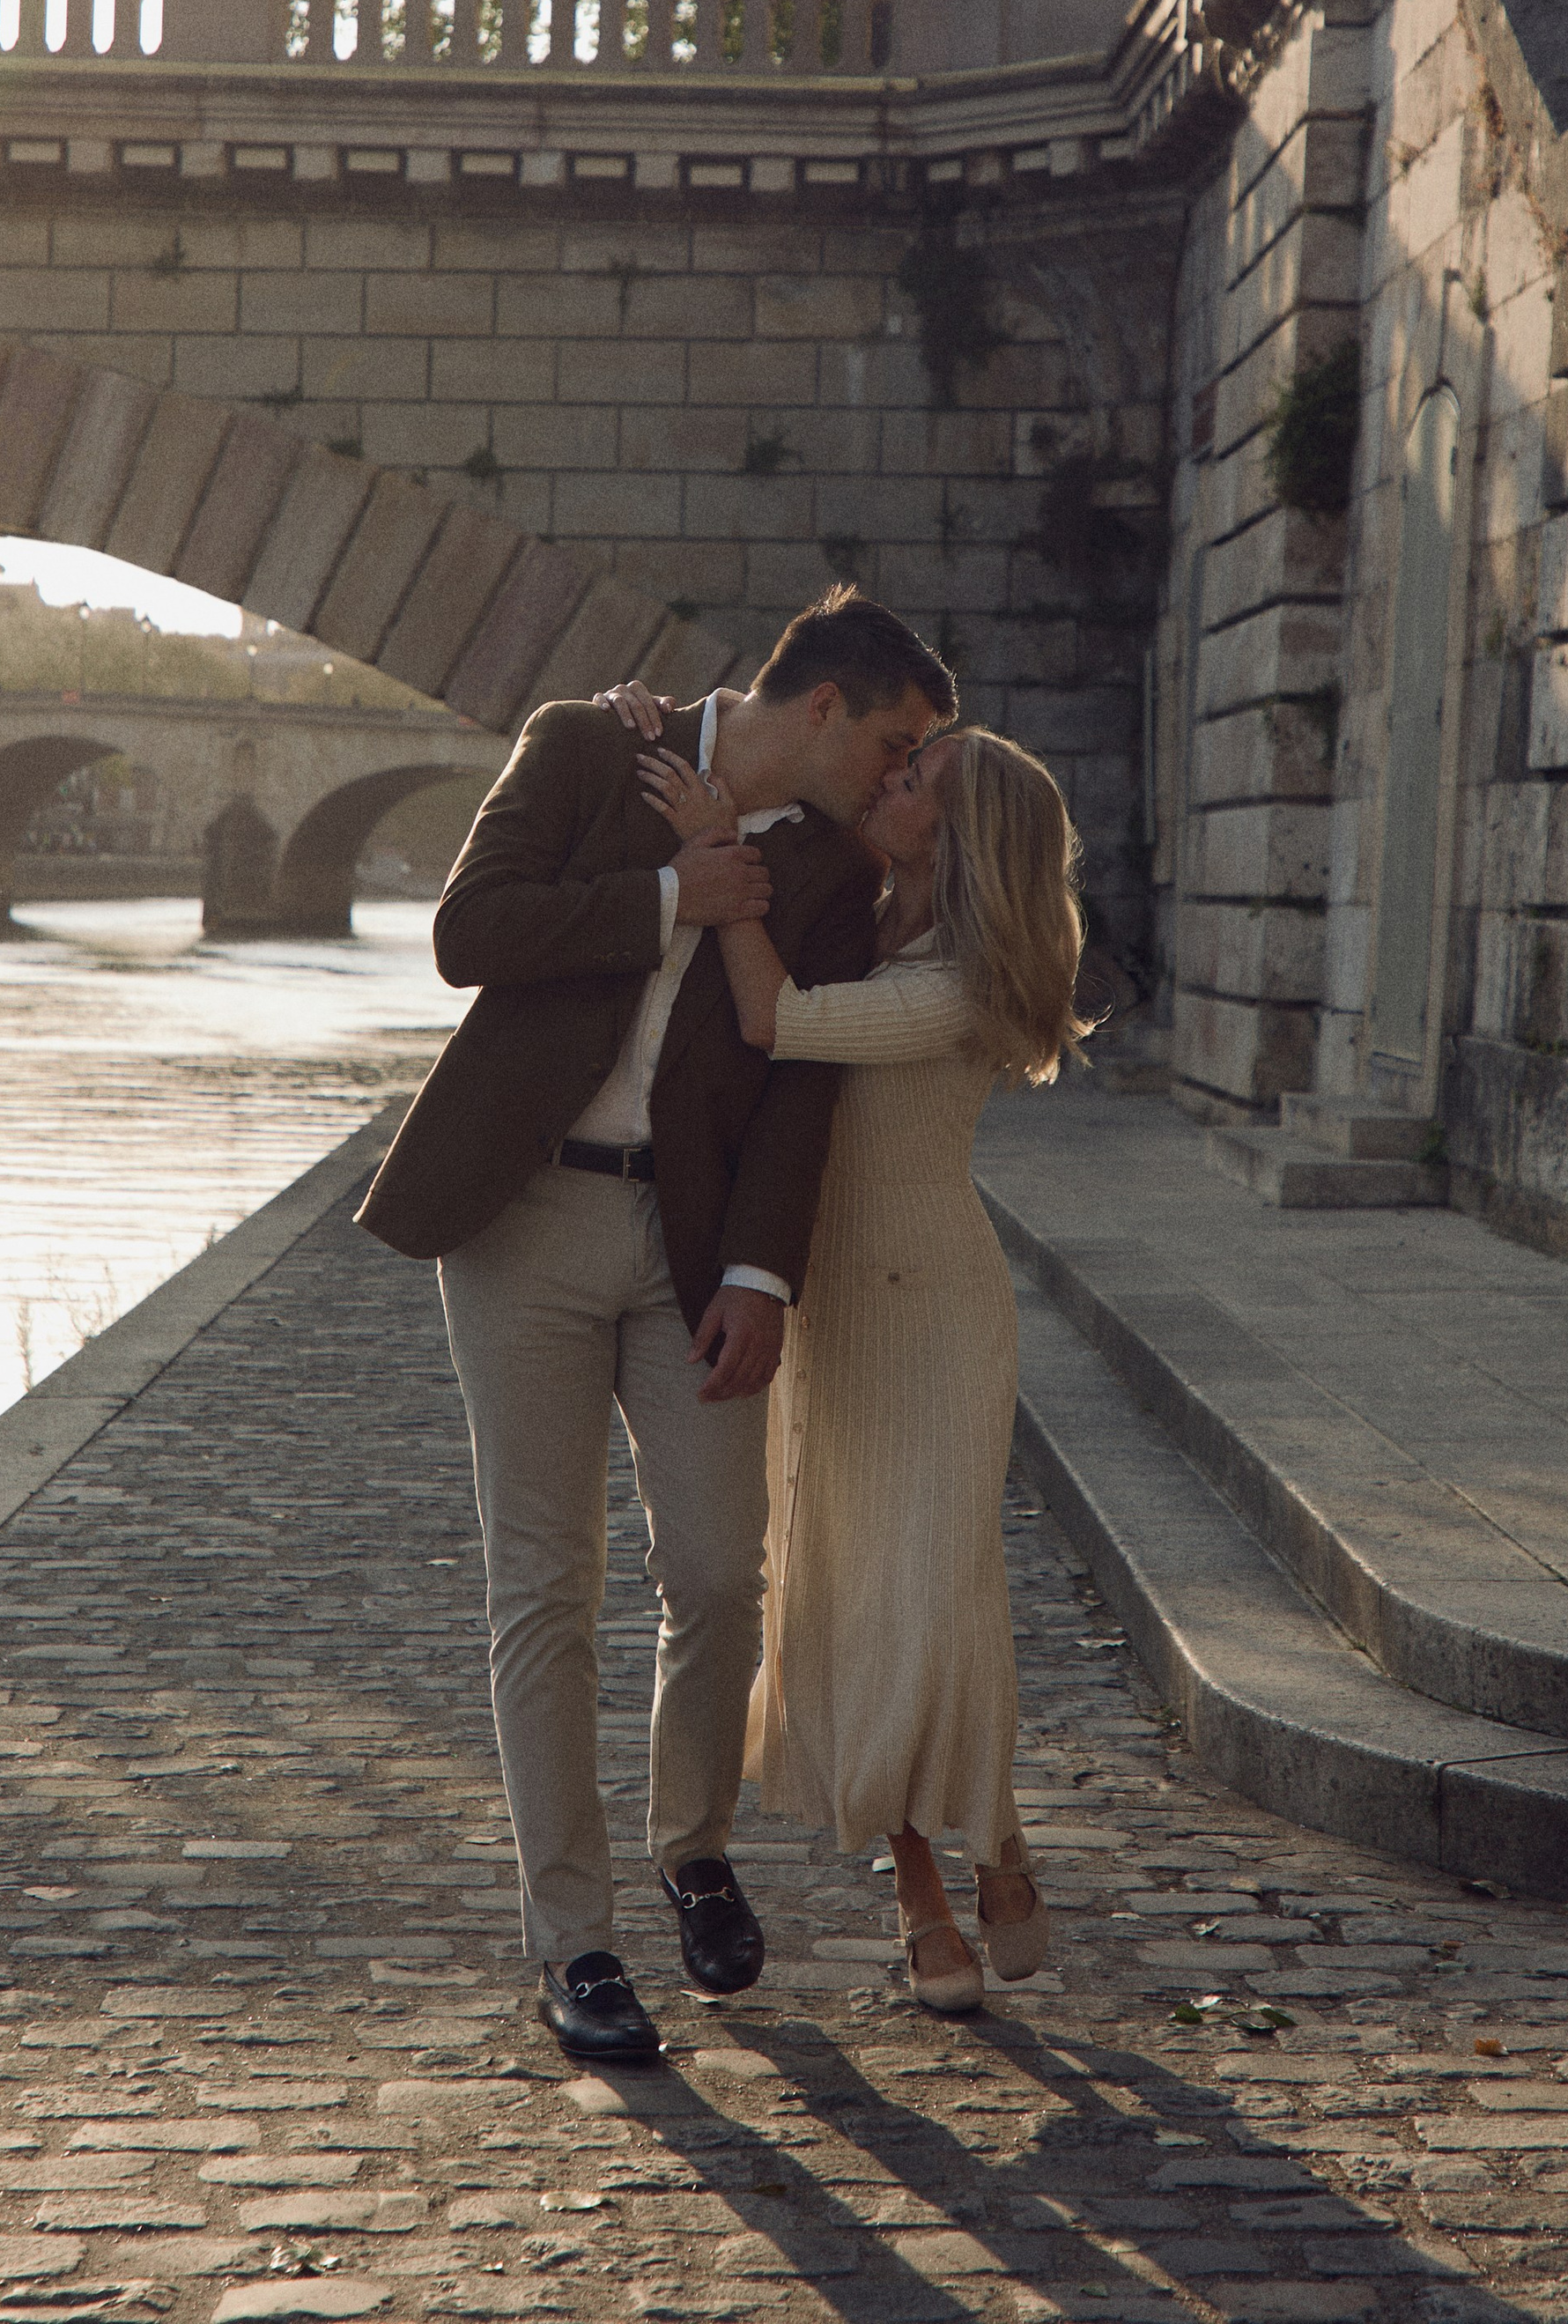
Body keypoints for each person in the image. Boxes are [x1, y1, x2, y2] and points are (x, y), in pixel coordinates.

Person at [358, 589, 957, 2064]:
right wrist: (667, 896)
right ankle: (575, 1944)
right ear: (823, 705)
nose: (899, 776)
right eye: (893, 743)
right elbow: (467, 934)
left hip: (693, 1252)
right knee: (543, 1590)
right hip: (523, 1222)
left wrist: (761, 1274)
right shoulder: (586, 748)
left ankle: (692, 1846)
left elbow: (801, 1078)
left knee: (716, 1571)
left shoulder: (833, 870)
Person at [612, 699, 1089, 2015]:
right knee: (843, 1601)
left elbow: (775, 1019)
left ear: (961, 831)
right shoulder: (858, 915)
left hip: (937, 1318)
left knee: (936, 1603)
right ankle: (925, 1889)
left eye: (917, 776)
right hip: (834, 1314)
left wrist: (722, 858)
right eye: (901, 758)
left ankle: (993, 1845)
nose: (889, 779)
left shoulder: (963, 982)